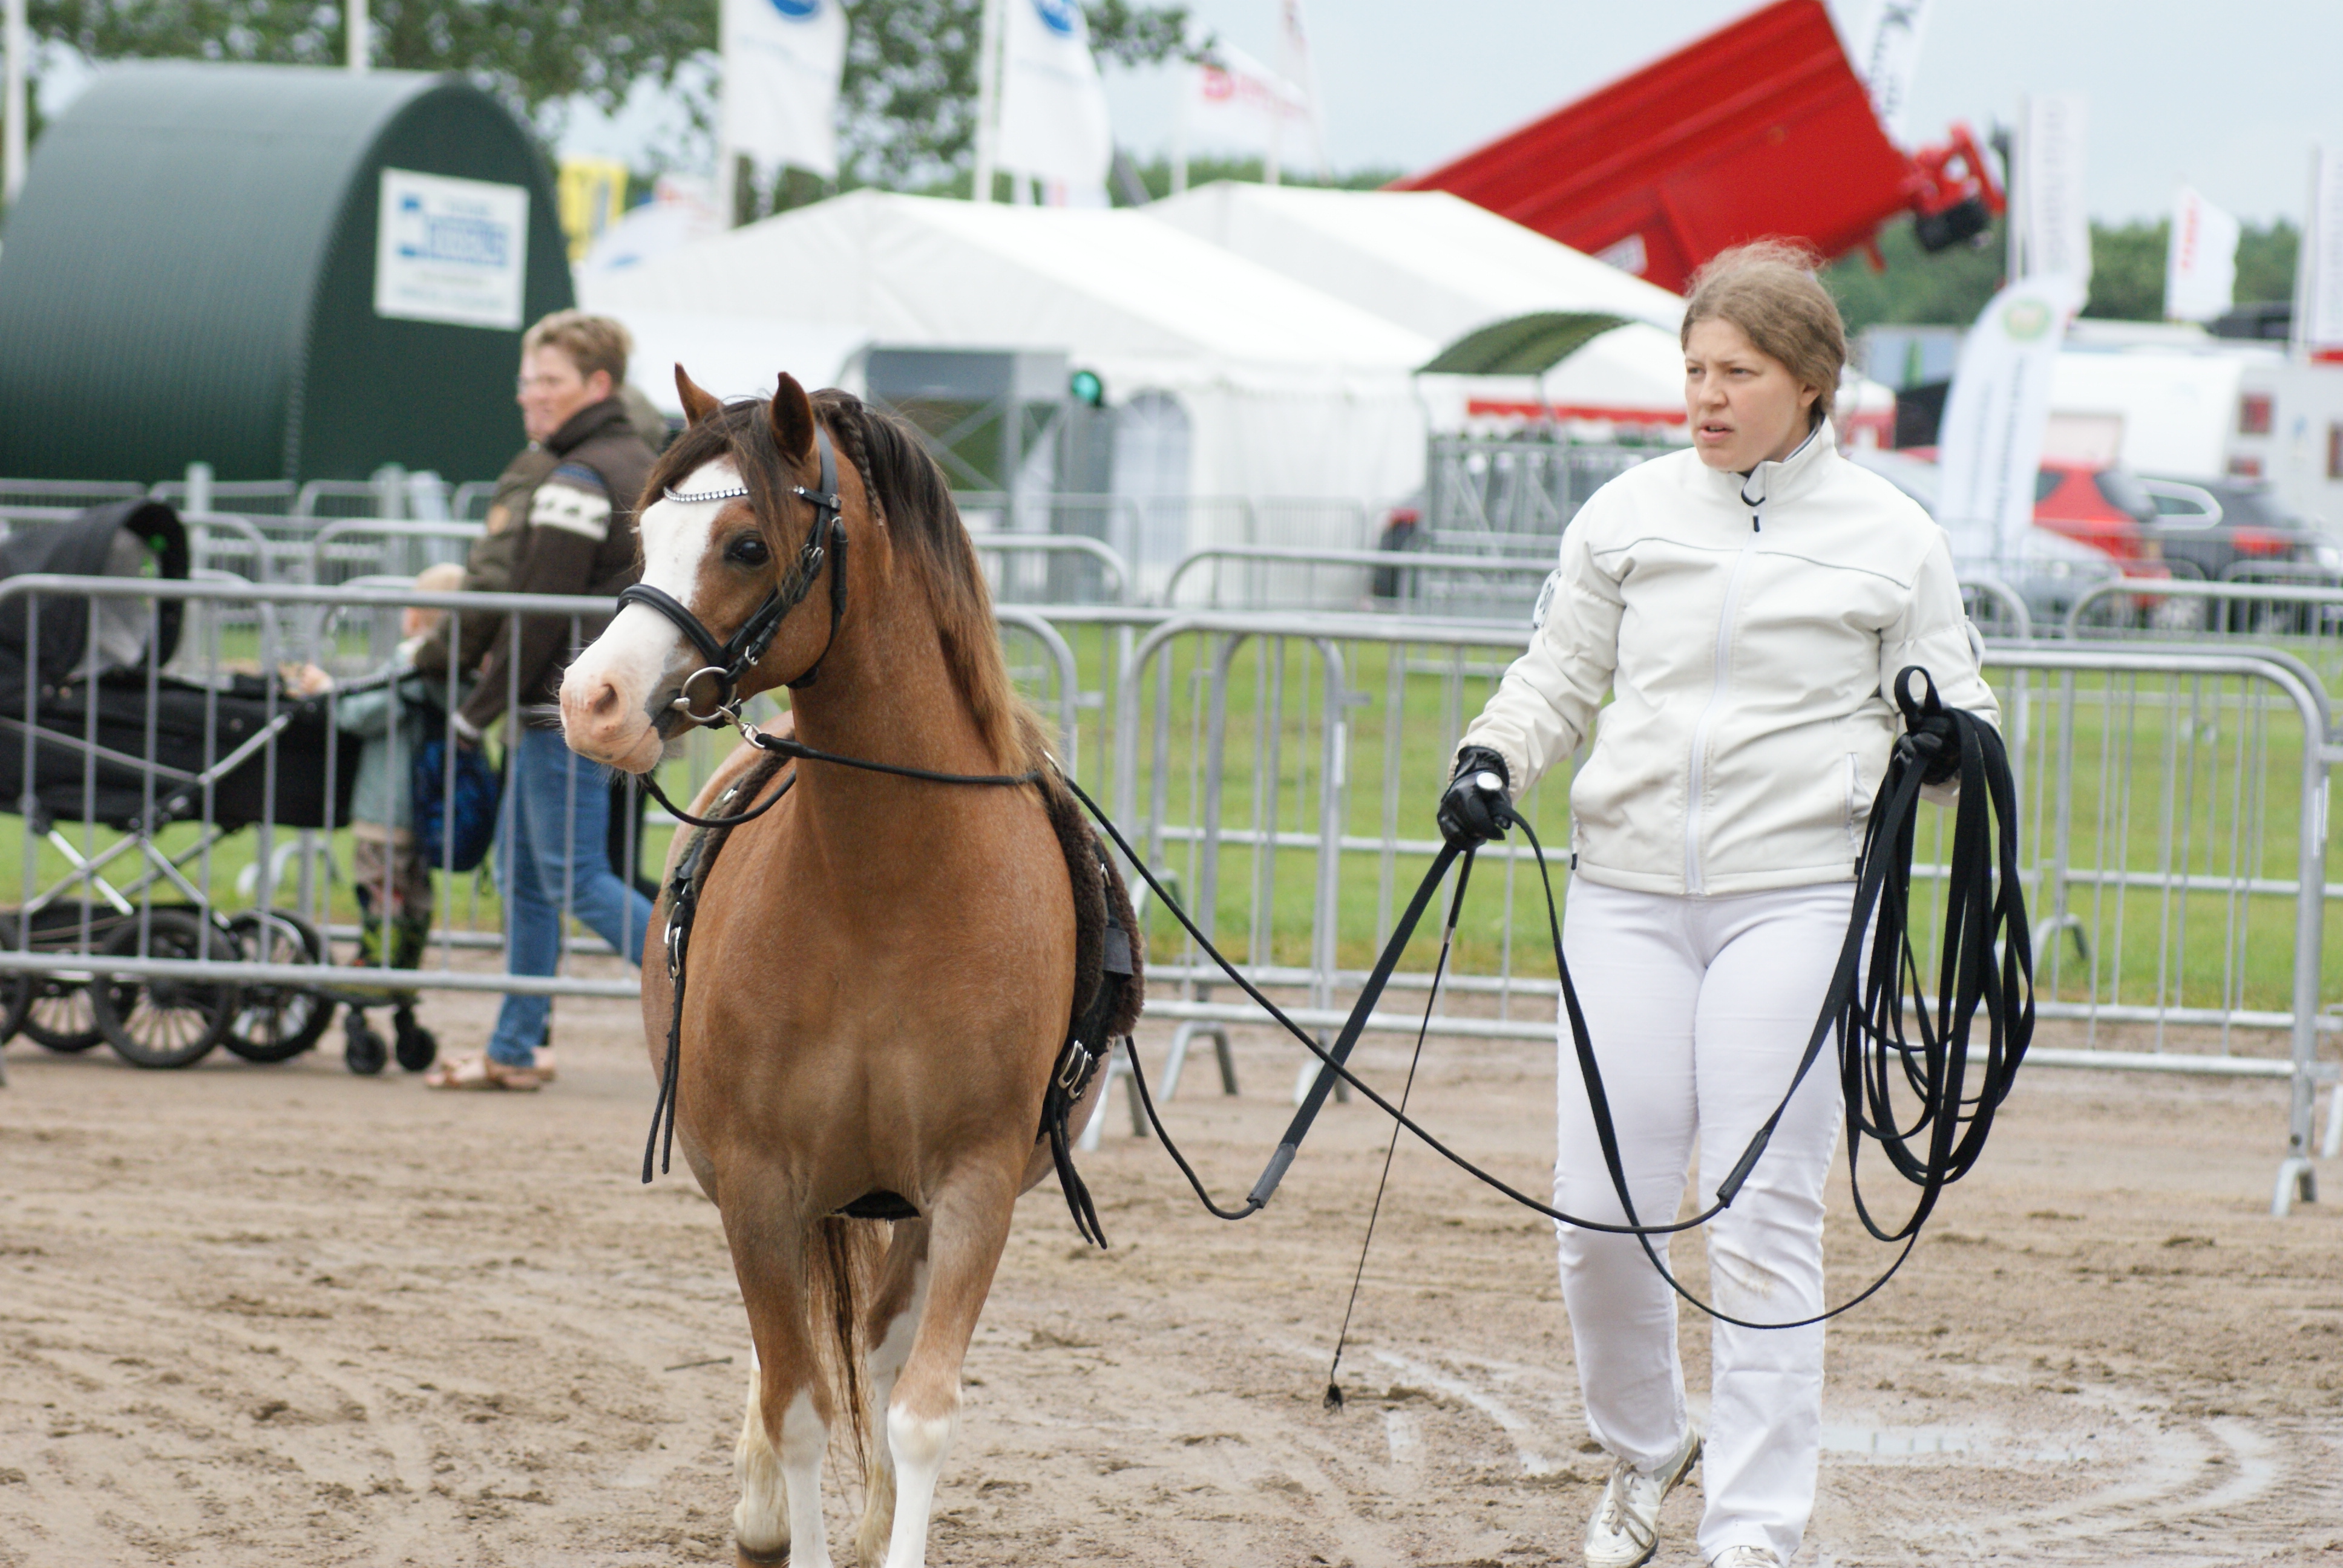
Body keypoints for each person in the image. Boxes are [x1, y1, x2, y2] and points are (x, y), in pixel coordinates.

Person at [1435, 241, 1996, 1568]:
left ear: (1808, 384)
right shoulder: (1625, 515)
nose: (1705, 395)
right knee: (1598, 1215)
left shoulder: (1893, 537)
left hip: (1792, 902)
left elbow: (1960, 711)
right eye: (1692, 369)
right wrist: (1490, 758)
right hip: (1624, 895)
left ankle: (1752, 1536)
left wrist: (1944, 750)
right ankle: (1646, 1448)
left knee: (1760, 1223)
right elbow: (1555, 676)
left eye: (1736, 373)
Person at [427, 310, 657, 1092]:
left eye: (548, 381)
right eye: (526, 381)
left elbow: (536, 616)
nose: (530, 395)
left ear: (597, 383)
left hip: (564, 708)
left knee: (574, 880)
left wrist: (472, 713)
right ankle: (515, 1048)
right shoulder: (635, 462)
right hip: (593, 700)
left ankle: (711, 986)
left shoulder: (577, 478)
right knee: (528, 881)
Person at [338, 562, 468, 978]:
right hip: (431, 810)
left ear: (415, 615)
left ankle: (376, 969)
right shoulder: (461, 671)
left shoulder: (407, 663)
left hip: (384, 806)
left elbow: (361, 715)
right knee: (415, 895)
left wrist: (329, 695)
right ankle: (406, 974)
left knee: (379, 888)